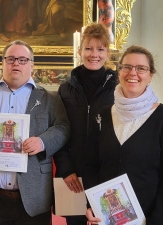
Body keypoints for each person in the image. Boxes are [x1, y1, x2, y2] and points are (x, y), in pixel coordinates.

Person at [0, 40, 70, 225]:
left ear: (32, 65)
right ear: (2, 63)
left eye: (22, 59)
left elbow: (63, 127)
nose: (16, 63)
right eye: (11, 59)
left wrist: (43, 141)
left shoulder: (50, 99)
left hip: (34, 198)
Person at [85, 45, 163, 224]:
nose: (133, 73)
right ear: (119, 71)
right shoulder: (102, 115)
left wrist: (159, 221)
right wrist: (92, 204)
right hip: (108, 217)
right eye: (127, 67)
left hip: (150, 218)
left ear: (150, 75)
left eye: (141, 69)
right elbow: (91, 167)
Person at [54, 22, 117, 225]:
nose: (94, 54)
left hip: (109, 174)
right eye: (88, 48)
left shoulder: (119, 88)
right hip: (75, 176)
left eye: (100, 49)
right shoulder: (65, 89)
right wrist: (65, 169)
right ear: (80, 51)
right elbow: (59, 131)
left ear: (108, 53)